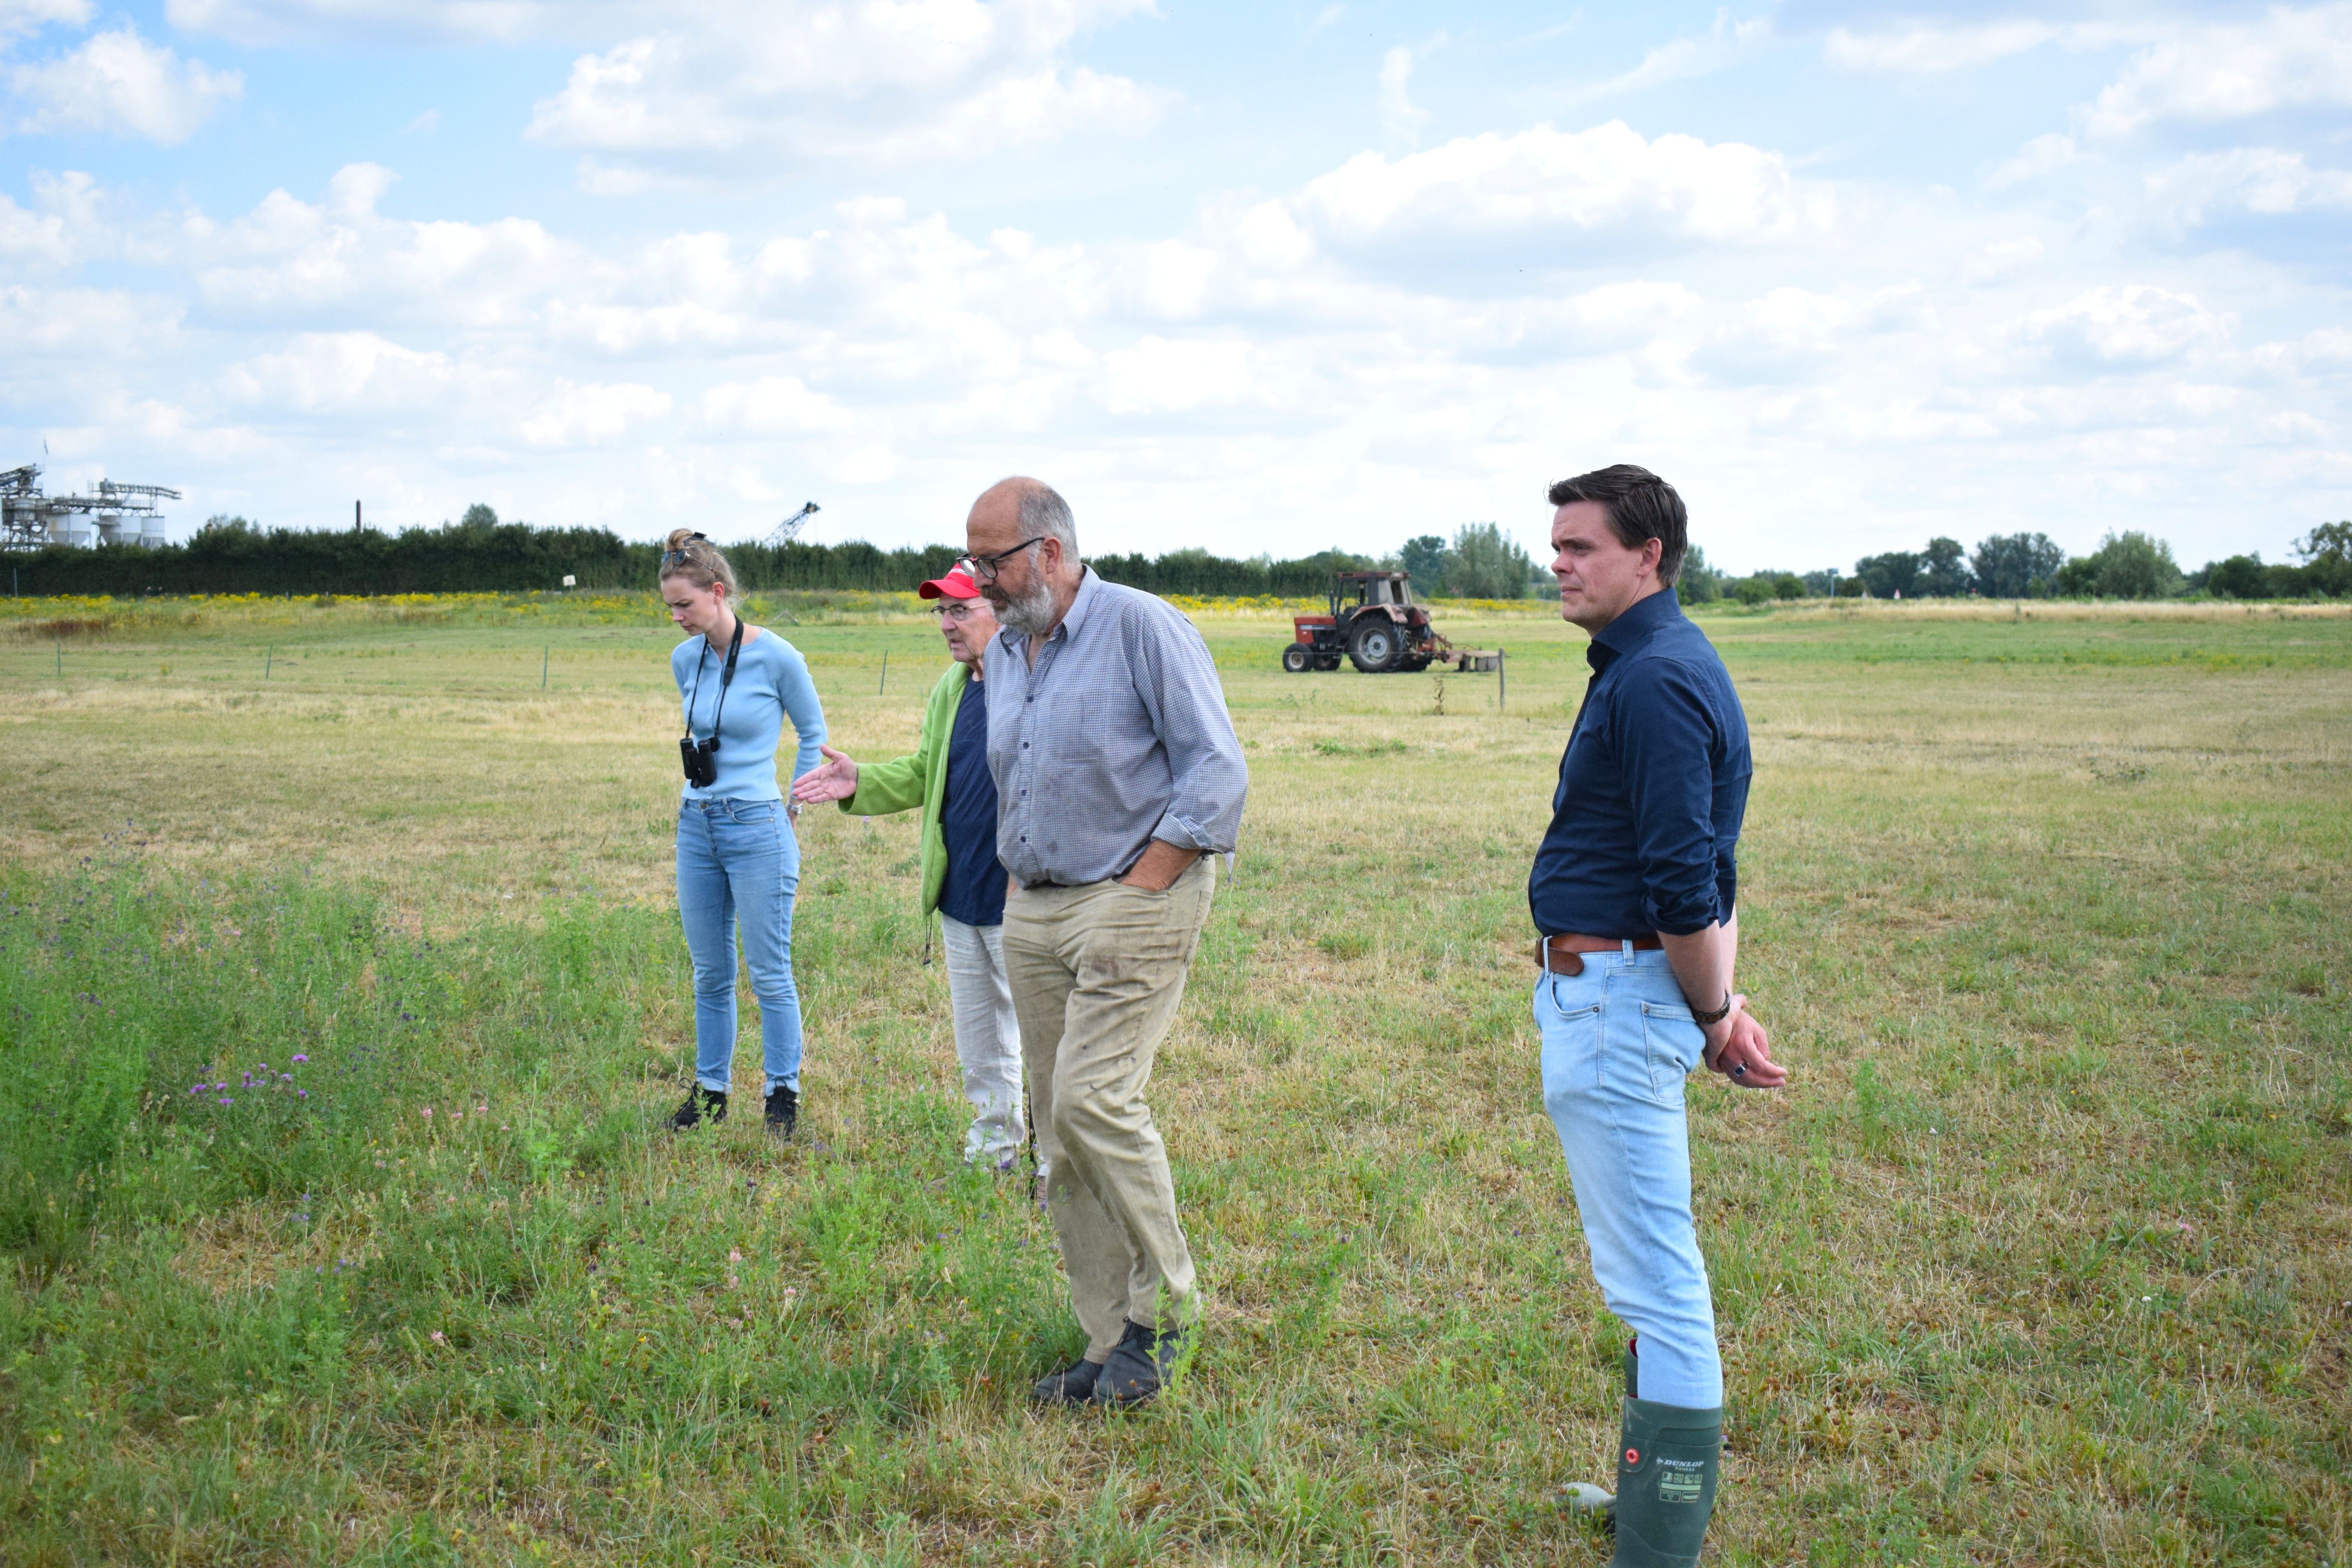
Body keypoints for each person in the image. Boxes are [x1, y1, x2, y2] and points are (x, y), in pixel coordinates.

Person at [1528, 466, 1786, 1568]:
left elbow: (1688, 884)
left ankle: (1659, 1548)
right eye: (1558, 545)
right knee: (1644, 1273)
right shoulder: (1654, 663)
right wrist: (1717, 1010)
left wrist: (1716, 1007)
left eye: (1581, 546)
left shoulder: (1656, 680)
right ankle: (1649, 1506)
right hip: (1625, 996)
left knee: (1660, 1286)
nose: (1559, 563)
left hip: (1620, 1004)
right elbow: (1705, 871)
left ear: (1650, 555)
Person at [963, 476, 1248, 1410]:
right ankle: (1107, 1338)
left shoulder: (1141, 626)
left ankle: (1168, 1315)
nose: (979, 580)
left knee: (1094, 1097)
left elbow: (1216, 769)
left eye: (992, 561)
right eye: (973, 560)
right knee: (1058, 1130)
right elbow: (1019, 771)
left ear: (1049, 551)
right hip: (1037, 905)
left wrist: (1148, 878)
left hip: (1136, 892)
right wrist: (1020, 882)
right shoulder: (1006, 650)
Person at [789, 562, 1025, 1171]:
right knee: (981, 1042)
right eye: (940, 612)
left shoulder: (1034, 681)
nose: (945, 624)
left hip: (1024, 898)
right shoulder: (953, 687)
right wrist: (860, 781)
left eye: (960, 610)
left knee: (1048, 1040)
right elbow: (926, 770)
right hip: (960, 893)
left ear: (1001, 608)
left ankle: (1056, 1165)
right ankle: (993, 1153)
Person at [659, 529, 828, 1139]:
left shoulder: (779, 656)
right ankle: (711, 1093)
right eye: (670, 607)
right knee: (710, 973)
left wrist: (794, 806)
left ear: (718, 592)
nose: (677, 618)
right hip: (697, 825)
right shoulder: (685, 659)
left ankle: (782, 1096)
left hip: (757, 825)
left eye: (685, 604)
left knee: (769, 972)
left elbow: (813, 734)